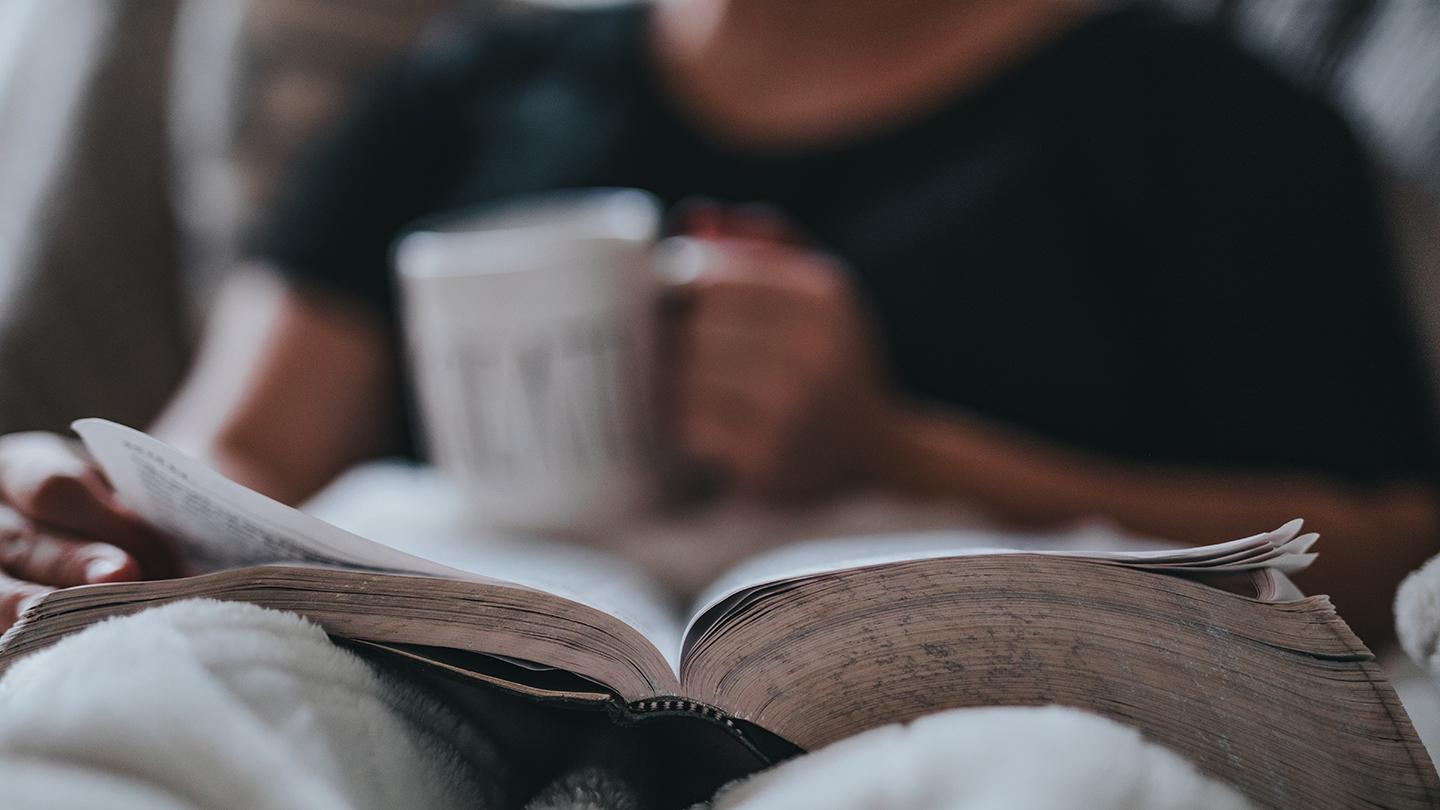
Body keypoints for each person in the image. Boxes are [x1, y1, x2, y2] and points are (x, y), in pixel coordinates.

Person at [0, 0, 1436, 646]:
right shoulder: (457, 100)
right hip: (456, 687)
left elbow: (1390, 546)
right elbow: (229, 446)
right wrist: (68, 503)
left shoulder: (1201, 118)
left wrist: (900, 448)